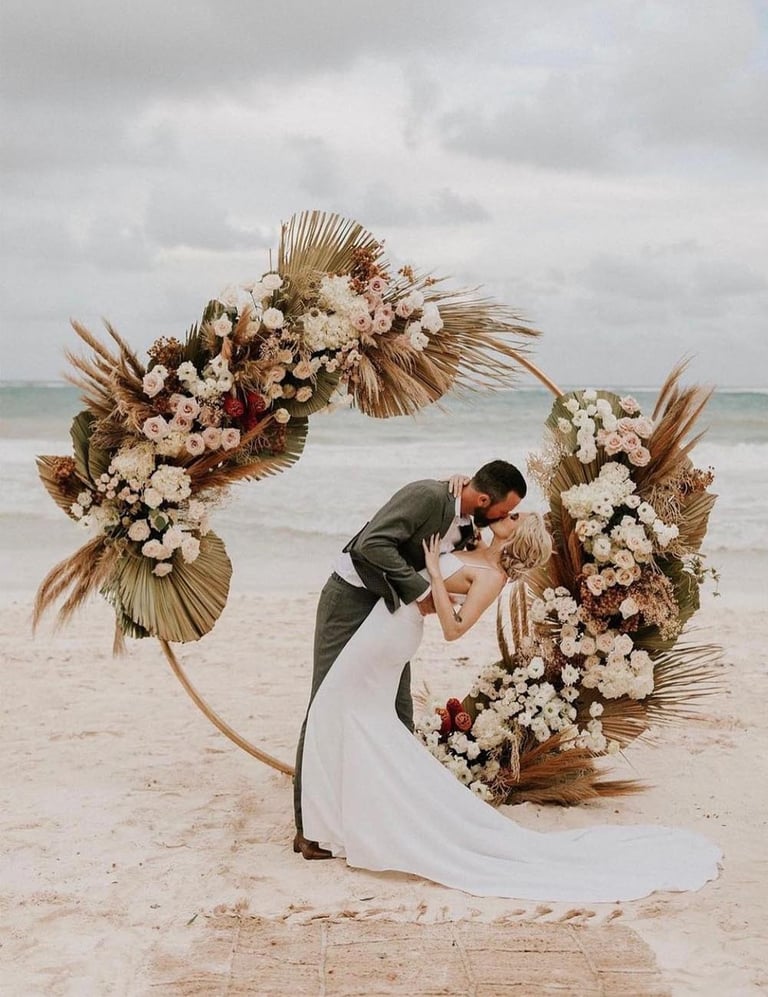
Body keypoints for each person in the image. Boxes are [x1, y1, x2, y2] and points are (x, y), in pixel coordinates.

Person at [298, 509, 722, 901]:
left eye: (515, 516)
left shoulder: (491, 577)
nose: (507, 514)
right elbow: (452, 524)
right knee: (348, 717)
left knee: (341, 712)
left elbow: (453, 628)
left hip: (395, 632)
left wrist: (431, 575)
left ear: (517, 535)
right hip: (385, 625)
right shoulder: (474, 548)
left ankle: (337, 824)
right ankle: (337, 822)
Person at [293, 461, 527, 859]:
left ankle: (384, 815)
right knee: (326, 704)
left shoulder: (469, 521)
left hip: (391, 617)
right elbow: (371, 545)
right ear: (485, 500)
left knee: (396, 714)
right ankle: (307, 829)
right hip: (353, 601)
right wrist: (422, 590)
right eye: (505, 511)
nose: (506, 518)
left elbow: (469, 551)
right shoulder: (428, 496)